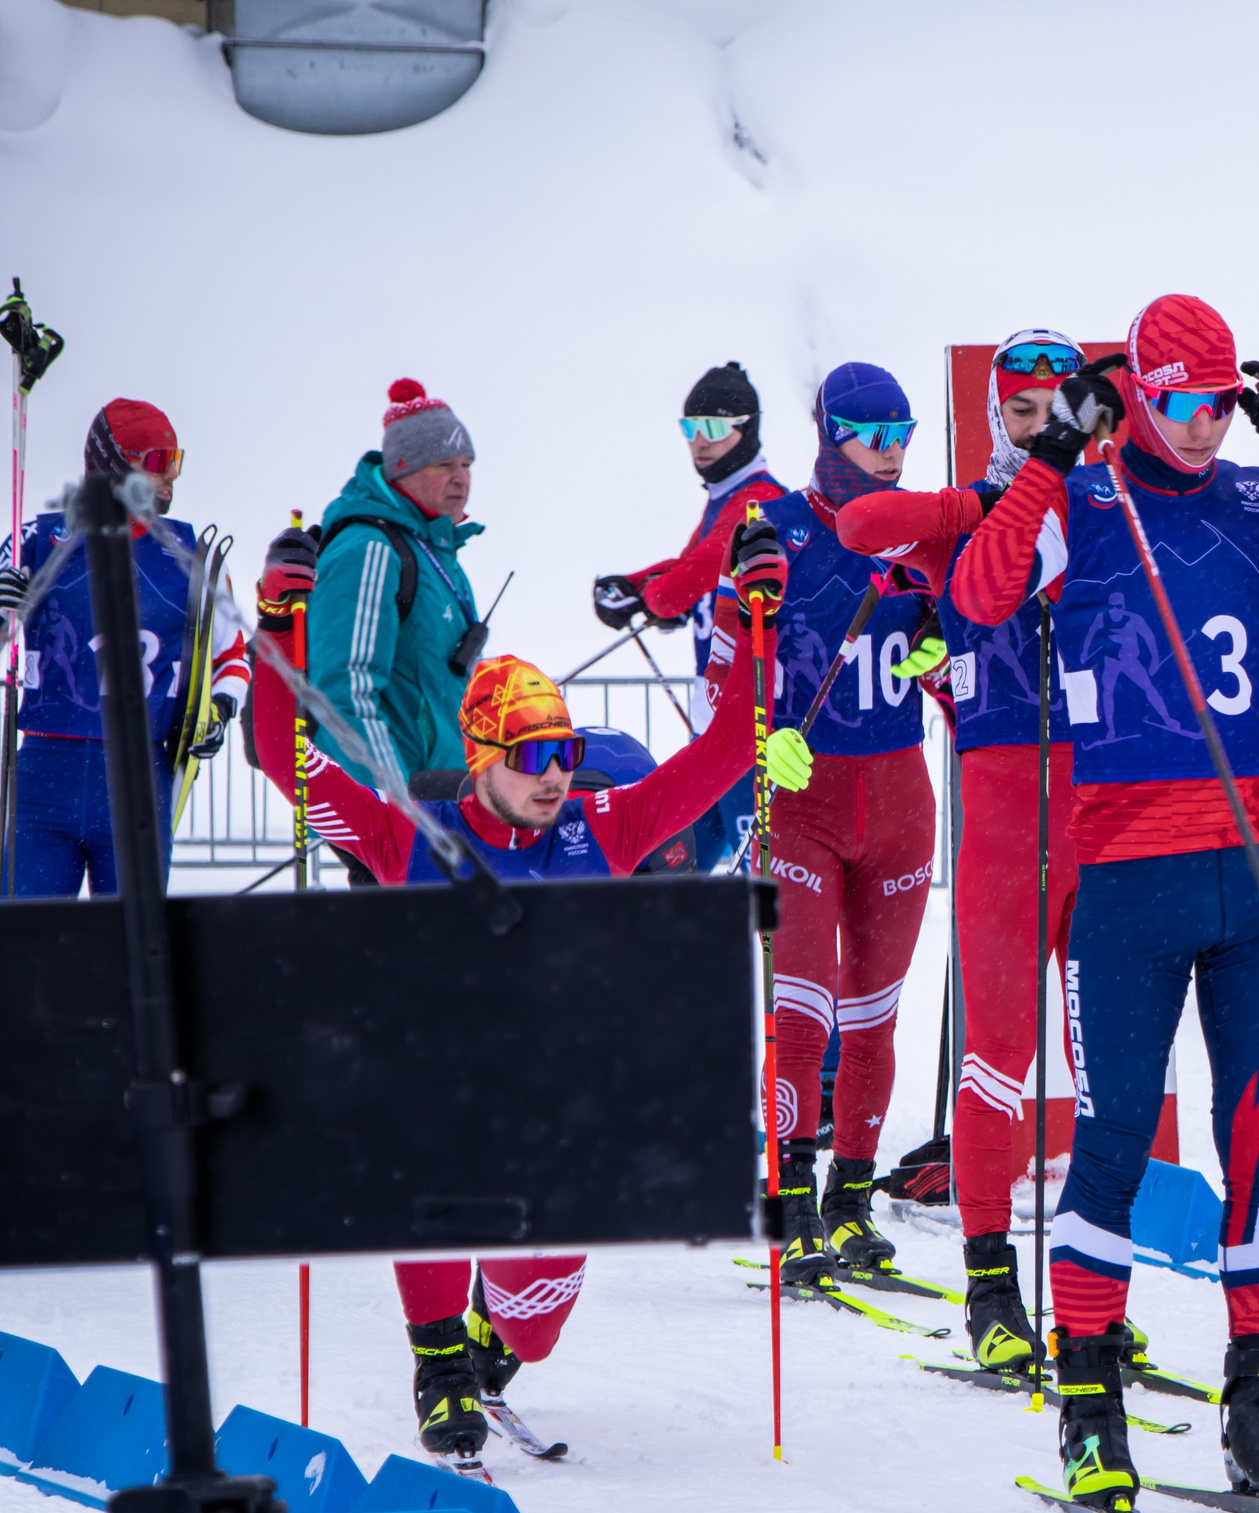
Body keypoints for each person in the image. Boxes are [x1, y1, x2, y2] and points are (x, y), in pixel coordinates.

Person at [950, 294, 1259, 1513]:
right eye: (1175, 403)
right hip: (1124, 880)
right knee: (1108, 1149)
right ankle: (1091, 1413)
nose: (1200, 428)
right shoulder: (1080, 501)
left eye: (1218, 405)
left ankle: (1256, 1408)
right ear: (1138, 395)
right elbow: (978, 596)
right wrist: (1057, 447)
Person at [251, 536, 787, 1457]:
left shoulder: (600, 828)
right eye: (533, 753)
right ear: (481, 753)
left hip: (557, 1109)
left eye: (566, 751)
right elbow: (281, 756)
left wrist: (747, 613)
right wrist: (274, 626)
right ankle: (440, 1360)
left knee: (538, 1323)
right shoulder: (405, 835)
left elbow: (734, 743)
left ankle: (495, 1331)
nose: (554, 773)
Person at [829, 328, 1088, 1373]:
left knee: (1110, 1061)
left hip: (1109, 802)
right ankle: (990, 1286)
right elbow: (862, 519)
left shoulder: (1111, 509)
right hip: (1004, 802)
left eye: (1055, 415)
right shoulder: (972, 516)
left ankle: (1089, 1289)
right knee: (1000, 1057)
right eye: (1018, 416)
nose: (1038, 434)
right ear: (994, 420)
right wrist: (981, 505)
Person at [708, 361, 938, 1291]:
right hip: (803, 804)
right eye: (873, 436)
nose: (890, 455)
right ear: (829, 433)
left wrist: (942, 648)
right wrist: (764, 743)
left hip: (900, 801)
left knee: (875, 1018)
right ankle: (792, 1195)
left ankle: (851, 1197)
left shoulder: (917, 531)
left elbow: (964, 633)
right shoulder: (780, 534)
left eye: (903, 435)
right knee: (801, 1014)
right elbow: (728, 676)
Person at [1, 399, 245, 896]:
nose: (170, 477)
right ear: (114, 463)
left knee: (135, 951)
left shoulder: (190, 553)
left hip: (140, 773)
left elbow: (232, 656)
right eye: (158, 462)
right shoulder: (36, 540)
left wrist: (217, 710)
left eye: (176, 462)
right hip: (46, 773)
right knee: (29, 946)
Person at [591, 361, 785, 874]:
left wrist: (648, 598)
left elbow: (688, 581)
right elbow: (690, 565)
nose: (700, 441)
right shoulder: (726, 495)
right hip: (717, 728)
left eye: (715, 428)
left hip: (750, 726)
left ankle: (774, 958)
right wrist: (634, 586)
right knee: (676, 871)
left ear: (747, 429)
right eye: (690, 428)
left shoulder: (758, 500)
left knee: (761, 882)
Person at [305, 378, 485, 875]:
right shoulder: (370, 550)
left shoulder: (433, 550)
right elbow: (346, 690)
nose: (461, 478)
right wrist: (397, 806)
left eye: (466, 465)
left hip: (439, 798)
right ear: (403, 469)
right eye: (444, 465)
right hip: (397, 810)